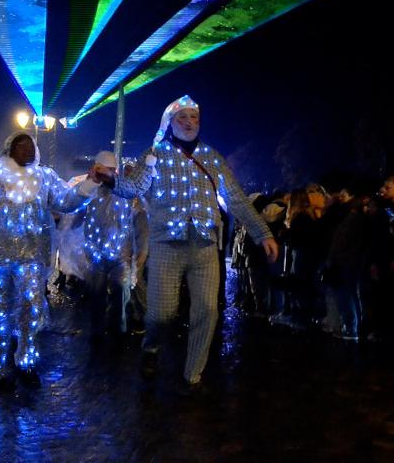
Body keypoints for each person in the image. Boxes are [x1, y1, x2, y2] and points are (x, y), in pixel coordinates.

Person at [93, 95, 277, 394]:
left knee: (207, 311)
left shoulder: (212, 158)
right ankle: (151, 347)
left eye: (194, 117)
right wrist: (110, 179)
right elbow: (133, 187)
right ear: (170, 122)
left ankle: (193, 375)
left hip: (205, 245)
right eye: (183, 117)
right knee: (161, 314)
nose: (190, 122)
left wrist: (263, 233)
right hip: (167, 244)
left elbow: (236, 199)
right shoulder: (155, 155)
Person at [0, 131, 98, 386]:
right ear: (10, 149)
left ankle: (26, 361)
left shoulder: (44, 178)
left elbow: (66, 201)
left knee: (31, 311)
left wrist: (89, 184)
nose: (28, 151)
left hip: (32, 260)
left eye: (31, 146)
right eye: (21, 146)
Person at [82, 151, 134, 340]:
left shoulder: (123, 191)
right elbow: (74, 212)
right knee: (97, 293)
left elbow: (137, 215)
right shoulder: (88, 189)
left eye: (111, 170)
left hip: (120, 254)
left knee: (120, 291)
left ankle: (119, 331)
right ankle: (97, 331)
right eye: (104, 169)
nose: (108, 174)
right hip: (95, 253)